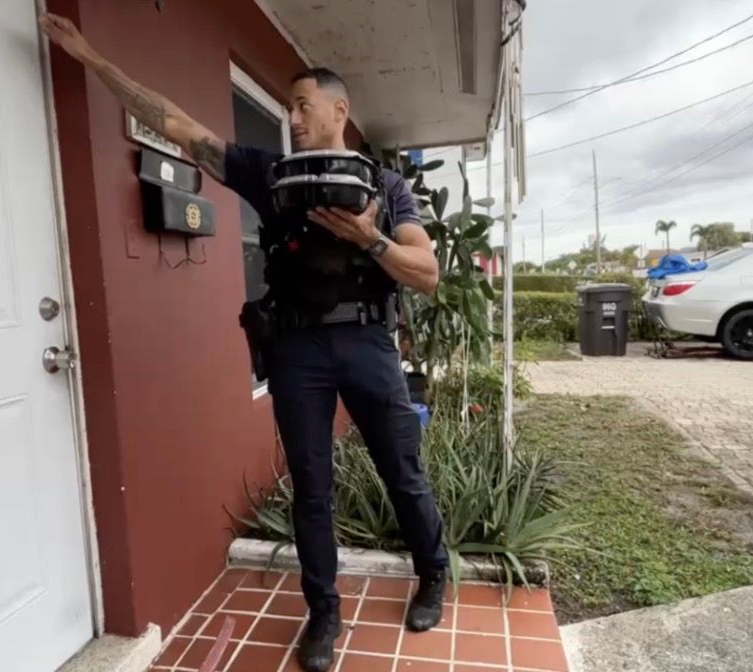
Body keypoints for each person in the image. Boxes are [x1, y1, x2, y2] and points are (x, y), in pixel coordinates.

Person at [39, 14, 449, 672]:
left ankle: (433, 573)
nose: (291, 116)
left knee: (402, 470)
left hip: (369, 343)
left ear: (339, 109)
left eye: (303, 104)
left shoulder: (385, 186)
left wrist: (366, 238)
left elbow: (426, 275)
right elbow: (177, 125)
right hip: (296, 352)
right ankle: (323, 614)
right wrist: (91, 54)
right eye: (287, 106)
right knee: (311, 485)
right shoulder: (270, 173)